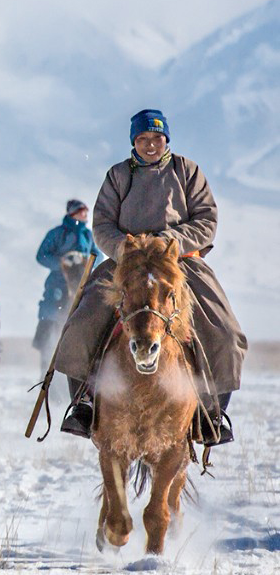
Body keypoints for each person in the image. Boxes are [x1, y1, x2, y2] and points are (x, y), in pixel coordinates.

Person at [56, 109, 246, 446]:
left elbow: (206, 219)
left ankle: (212, 412)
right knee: (82, 324)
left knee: (225, 332)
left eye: (156, 138)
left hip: (179, 264)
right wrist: (126, 250)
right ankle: (84, 403)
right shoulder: (118, 176)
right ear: (133, 141)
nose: (150, 144)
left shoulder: (187, 171)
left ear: (166, 140)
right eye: (143, 139)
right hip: (127, 264)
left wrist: (172, 242)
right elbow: (101, 225)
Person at [32, 199, 102, 352]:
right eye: (81, 211)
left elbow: (98, 257)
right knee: (51, 308)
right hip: (58, 282)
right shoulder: (57, 233)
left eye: (86, 211)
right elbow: (42, 255)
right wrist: (62, 262)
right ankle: (45, 346)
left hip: (82, 284)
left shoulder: (88, 235)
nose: (85, 214)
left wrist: (86, 262)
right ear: (73, 213)